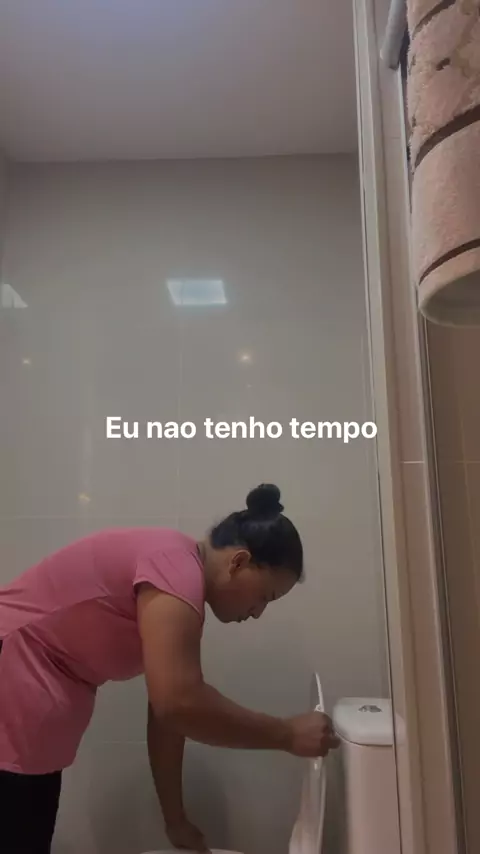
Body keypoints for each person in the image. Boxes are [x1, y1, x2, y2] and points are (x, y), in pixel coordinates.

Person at [0, 483, 339, 853]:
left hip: (29, 698)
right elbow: (178, 703)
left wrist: (175, 821)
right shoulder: (175, 568)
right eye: (264, 596)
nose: (258, 612)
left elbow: (171, 716)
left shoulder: (178, 578)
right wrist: (286, 735)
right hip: (14, 675)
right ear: (239, 562)